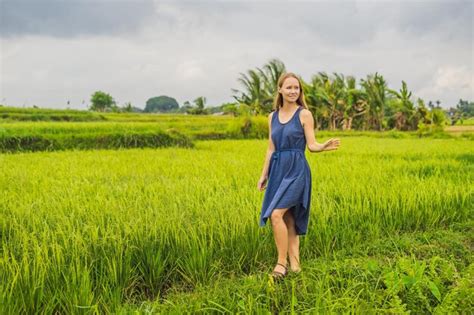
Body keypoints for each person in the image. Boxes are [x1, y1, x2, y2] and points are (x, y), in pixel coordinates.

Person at [257, 72, 340, 279]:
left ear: (300, 91)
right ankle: (296, 266)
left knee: (276, 215)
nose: (293, 91)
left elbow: (311, 145)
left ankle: (280, 264)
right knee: (288, 218)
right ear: (280, 90)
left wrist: (323, 146)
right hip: (278, 169)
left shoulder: (304, 114)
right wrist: (263, 174)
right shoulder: (272, 117)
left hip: (297, 170)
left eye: (297, 88)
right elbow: (270, 148)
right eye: (289, 87)